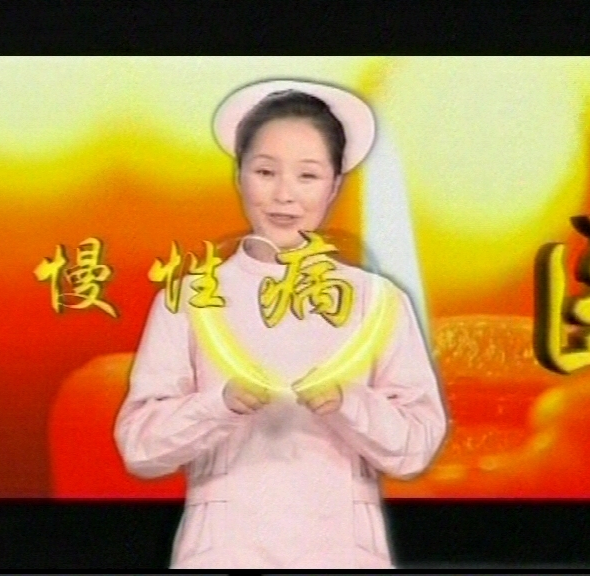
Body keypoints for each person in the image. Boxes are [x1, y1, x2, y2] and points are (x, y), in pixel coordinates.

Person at [114, 79, 448, 569]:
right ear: (239, 176)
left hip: (341, 551)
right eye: (265, 171)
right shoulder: (189, 298)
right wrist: (219, 403)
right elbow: (140, 446)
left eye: (308, 175)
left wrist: (348, 403)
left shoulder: (378, 303)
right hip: (226, 550)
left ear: (335, 185)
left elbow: (416, 446)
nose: (284, 195)